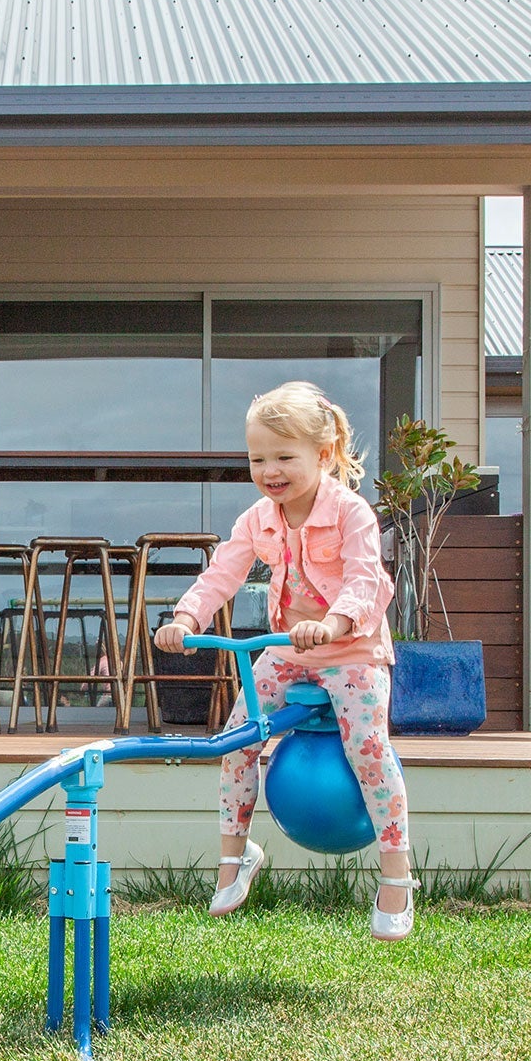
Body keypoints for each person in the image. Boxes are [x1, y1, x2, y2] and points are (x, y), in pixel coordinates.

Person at [155, 381, 417, 941]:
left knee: (368, 747)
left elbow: (364, 578)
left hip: (350, 648)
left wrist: (336, 623)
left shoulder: (352, 514)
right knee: (237, 738)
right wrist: (186, 619)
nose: (269, 470)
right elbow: (223, 571)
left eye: (283, 457)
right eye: (257, 458)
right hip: (290, 650)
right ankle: (236, 856)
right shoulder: (258, 519)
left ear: (323, 456)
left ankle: (396, 875)